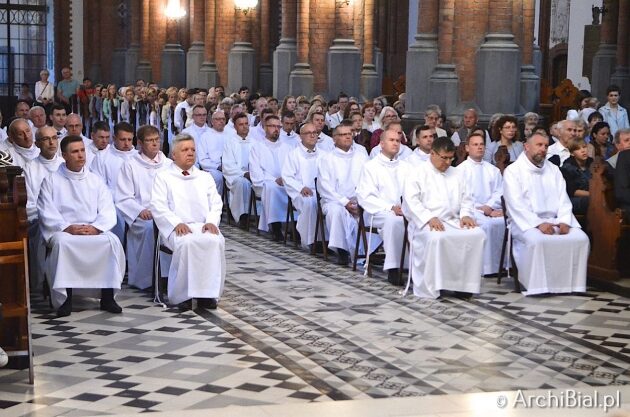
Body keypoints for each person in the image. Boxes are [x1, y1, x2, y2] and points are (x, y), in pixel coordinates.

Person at [37, 135, 125, 317]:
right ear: (64, 155)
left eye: (82, 150)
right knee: (62, 244)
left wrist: (97, 227)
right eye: (75, 152)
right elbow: (46, 211)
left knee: (112, 241)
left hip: (93, 229)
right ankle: (65, 299)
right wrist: (66, 227)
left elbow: (108, 209)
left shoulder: (95, 180)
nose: (80, 155)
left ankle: (108, 298)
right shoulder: (51, 180)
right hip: (65, 231)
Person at [503, 133, 589, 295]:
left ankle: (571, 285)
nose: (543, 149)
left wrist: (564, 221)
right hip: (526, 223)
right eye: (539, 145)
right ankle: (538, 286)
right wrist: (538, 224)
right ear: (526, 147)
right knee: (537, 241)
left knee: (580, 238)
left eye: (546, 146)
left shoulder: (554, 170)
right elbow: (516, 205)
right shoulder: (513, 171)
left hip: (556, 220)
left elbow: (563, 199)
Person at [402, 137, 485, 299]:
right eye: (444, 158)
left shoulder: (458, 173)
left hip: (453, 221)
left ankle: (462, 285)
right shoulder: (416, 173)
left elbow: (467, 198)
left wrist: (466, 214)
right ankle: (434, 285)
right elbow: (411, 201)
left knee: (477, 234)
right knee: (436, 238)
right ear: (432, 153)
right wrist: (428, 218)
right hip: (425, 223)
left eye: (450, 158)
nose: (447, 162)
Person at [150, 133, 226, 309]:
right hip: (177, 228)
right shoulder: (163, 177)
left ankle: (207, 295)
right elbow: (158, 205)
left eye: (193, 149)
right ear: (174, 155)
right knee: (187, 243)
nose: (190, 153)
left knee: (215, 241)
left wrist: (212, 221)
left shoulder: (204, 177)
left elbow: (216, 202)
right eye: (185, 150)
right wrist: (176, 223)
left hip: (203, 226)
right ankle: (183, 295)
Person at [115, 125, 171, 290]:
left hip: (165, 213)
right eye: (149, 141)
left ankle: (169, 277)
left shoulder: (167, 164)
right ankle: (146, 279)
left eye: (156, 140)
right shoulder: (130, 165)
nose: (154, 144)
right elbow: (124, 197)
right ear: (139, 143)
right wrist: (140, 211)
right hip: (142, 215)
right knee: (149, 229)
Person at [356, 129, 406, 285]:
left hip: (402, 211)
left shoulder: (407, 167)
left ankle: (411, 265)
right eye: (391, 140)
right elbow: (365, 197)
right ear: (381, 143)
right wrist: (390, 207)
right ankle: (393, 268)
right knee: (392, 221)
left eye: (398, 140)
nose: (395, 143)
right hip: (376, 213)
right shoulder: (370, 167)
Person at [317, 123, 369, 265]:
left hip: (358, 201)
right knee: (336, 211)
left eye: (349, 133)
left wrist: (360, 201)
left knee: (373, 212)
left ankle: (368, 251)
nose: (347, 136)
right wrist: (345, 202)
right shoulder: (326, 159)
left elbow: (368, 182)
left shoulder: (361, 156)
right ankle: (342, 251)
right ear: (334, 138)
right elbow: (325, 187)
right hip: (334, 200)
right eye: (343, 134)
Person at [456, 133, 505, 276]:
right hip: (471, 210)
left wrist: (489, 207)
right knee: (487, 225)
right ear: (467, 148)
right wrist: (482, 210)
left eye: (481, 145)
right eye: (475, 144)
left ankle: (504, 265)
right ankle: (487, 268)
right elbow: (461, 196)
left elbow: (499, 191)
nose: (479, 147)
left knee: (505, 222)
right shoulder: (459, 170)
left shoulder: (493, 170)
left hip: (492, 209)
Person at [23, 126, 63, 289]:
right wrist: (51, 217)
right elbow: (29, 203)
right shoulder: (30, 168)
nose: (52, 142)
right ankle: (47, 282)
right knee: (44, 231)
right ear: (37, 144)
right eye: (46, 139)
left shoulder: (65, 164)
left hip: (68, 218)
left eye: (54, 137)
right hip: (40, 220)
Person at [91, 122, 138, 243]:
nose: (127, 143)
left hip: (137, 202)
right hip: (112, 203)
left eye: (129, 139)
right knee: (115, 219)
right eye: (123, 139)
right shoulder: (102, 157)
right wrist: (121, 199)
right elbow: (98, 186)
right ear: (114, 138)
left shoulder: (138, 157)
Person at [249, 115, 291, 240]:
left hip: (285, 183)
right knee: (272, 188)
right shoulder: (257, 148)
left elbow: (292, 170)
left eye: (278, 126)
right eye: (272, 126)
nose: (276, 129)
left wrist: (286, 179)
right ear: (265, 128)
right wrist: (274, 180)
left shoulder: (287, 148)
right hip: (264, 184)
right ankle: (275, 226)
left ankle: (295, 227)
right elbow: (256, 172)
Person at [281, 122, 322, 249]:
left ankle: (326, 240)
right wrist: (300, 188)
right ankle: (310, 240)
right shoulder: (293, 155)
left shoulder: (324, 155)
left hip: (322, 191)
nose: (312, 136)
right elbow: (287, 176)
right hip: (302, 192)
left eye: (314, 133)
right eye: (308, 133)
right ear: (301, 136)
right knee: (310, 202)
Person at [561, 138, 593, 215]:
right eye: (578, 149)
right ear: (572, 153)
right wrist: (594, 194)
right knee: (590, 201)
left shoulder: (592, 162)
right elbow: (572, 191)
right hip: (573, 199)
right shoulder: (567, 167)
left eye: (584, 147)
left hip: (593, 194)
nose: (583, 151)